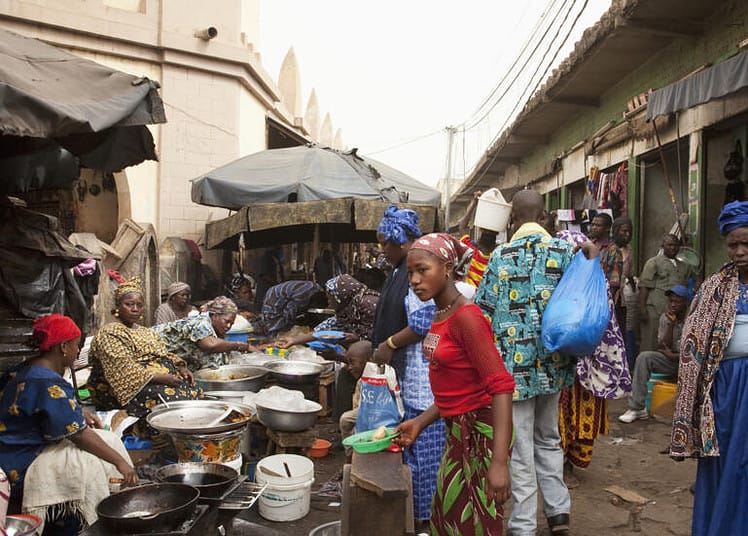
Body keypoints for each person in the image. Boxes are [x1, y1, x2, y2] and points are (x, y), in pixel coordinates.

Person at [475, 189, 598, 536]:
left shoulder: (499, 257)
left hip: (513, 373)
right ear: (544, 217)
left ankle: (524, 525)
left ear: (513, 219)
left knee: (521, 445)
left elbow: (483, 309)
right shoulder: (565, 251)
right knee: (548, 438)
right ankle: (559, 514)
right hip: (555, 365)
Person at [395, 232, 515, 535]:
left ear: (447, 268)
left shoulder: (467, 318)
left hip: (480, 433)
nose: (414, 279)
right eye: (410, 272)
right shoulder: (441, 313)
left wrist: (498, 462)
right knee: (449, 515)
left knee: (476, 521)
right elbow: (458, 388)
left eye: (423, 270)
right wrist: (420, 422)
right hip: (457, 431)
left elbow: (500, 387)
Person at [0, 314, 138, 534]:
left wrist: (77, 410)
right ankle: (89, 521)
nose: (77, 351)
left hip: (8, 449)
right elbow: (79, 435)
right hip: (22, 461)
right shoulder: (46, 381)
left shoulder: (24, 369)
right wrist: (121, 463)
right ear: (63, 347)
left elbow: (36, 407)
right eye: (76, 345)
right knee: (90, 463)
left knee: (105, 442)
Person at [670, 201, 748, 535]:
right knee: (725, 461)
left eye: (747, 243)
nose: (740, 251)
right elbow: (691, 345)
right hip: (726, 389)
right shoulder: (714, 288)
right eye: (734, 244)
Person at [370, 205, 444, 527]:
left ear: (399, 240)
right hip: (412, 382)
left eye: (384, 242)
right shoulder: (402, 268)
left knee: (425, 459)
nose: (381, 249)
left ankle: (425, 521)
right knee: (413, 454)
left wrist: (389, 344)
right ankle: (416, 516)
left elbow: (423, 321)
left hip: (423, 382)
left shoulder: (417, 269)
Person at [556, 229, 630, 487]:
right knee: (559, 416)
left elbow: (607, 323)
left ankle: (570, 463)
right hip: (561, 363)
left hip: (590, 362)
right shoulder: (555, 283)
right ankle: (559, 465)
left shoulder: (596, 283)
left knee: (582, 417)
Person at [88, 278, 202, 416]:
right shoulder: (110, 333)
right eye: (129, 304)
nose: (135, 309)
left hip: (155, 378)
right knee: (172, 401)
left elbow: (164, 354)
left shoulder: (145, 331)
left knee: (195, 392)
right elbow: (123, 369)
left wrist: (181, 367)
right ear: (118, 306)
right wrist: (162, 378)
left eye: (139, 305)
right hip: (126, 385)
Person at [619, 285, 688, 423]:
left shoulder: (694, 319)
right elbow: (662, 346)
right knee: (644, 357)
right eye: (671, 301)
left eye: (678, 302)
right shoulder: (666, 318)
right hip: (672, 361)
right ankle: (637, 407)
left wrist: (674, 355)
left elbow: (693, 353)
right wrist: (672, 324)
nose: (673, 304)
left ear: (686, 303)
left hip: (689, 364)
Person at [153, 296, 255, 371]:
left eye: (231, 324)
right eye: (226, 321)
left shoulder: (214, 331)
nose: (229, 326)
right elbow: (209, 345)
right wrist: (240, 346)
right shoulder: (201, 323)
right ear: (215, 316)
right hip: (148, 349)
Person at [276, 274, 380, 347]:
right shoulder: (347, 310)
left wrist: (356, 338)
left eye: (330, 298)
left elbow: (382, 333)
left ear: (340, 297)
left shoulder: (369, 304)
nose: (328, 303)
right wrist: (293, 340)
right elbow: (325, 329)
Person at [639, 234, 695, 351]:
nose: (673, 248)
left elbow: (696, 276)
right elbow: (644, 286)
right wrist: (642, 307)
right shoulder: (653, 262)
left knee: (669, 340)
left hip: (674, 310)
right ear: (663, 245)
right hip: (655, 308)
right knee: (651, 340)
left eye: (676, 245)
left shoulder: (683, 265)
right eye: (669, 245)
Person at [252, 280, 327, 337]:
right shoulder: (302, 296)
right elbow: (290, 313)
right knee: (276, 327)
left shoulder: (315, 287)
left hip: (275, 293)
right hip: (275, 299)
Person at [612, 216, 637, 370]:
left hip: (621, 298)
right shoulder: (609, 249)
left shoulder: (628, 251)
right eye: (624, 231)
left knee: (622, 330)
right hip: (609, 297)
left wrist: (633, 285)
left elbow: (629, 272)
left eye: (629, 232)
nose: (627, 235)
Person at [338, 341, 371, 456]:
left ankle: (350, 456)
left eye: (352, 362)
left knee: (345, 420)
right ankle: (350, 458)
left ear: (369, 360)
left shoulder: (377, 381)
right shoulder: (361, 382)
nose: (350, 368)